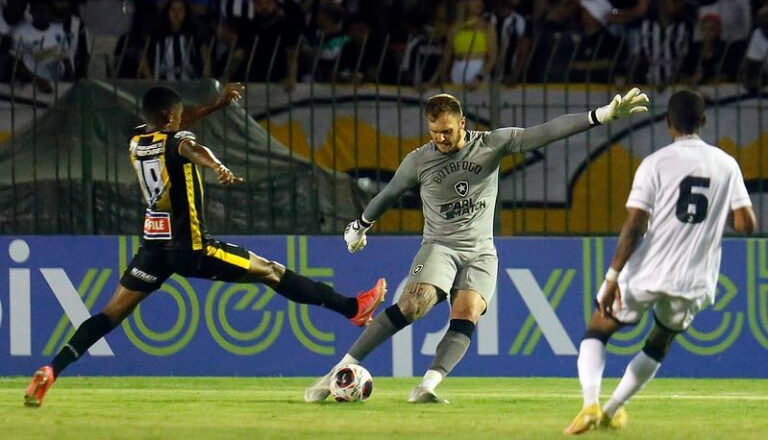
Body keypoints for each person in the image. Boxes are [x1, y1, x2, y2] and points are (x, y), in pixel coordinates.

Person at [24, 84, 388, 408]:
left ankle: (51, 370)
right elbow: (192, 147)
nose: (184, 120)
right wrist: (218, 166)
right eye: (179, 116)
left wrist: (216, 105)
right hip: (193, 248)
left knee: (108, 315)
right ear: (170, 118)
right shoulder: (176, 142)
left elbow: (182, 126)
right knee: (272, 271)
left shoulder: (138, 140)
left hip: (153, 249)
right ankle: (352, 307)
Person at [305, 88, 650, 404]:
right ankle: (335, 372)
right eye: (434, 131)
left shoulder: (491, 144)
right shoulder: (419, 161)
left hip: (481, 250)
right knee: (413, 305)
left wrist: (599, 116)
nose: (441, 138)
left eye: (448, 131)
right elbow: (389, 193)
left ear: (463, 123)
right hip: (440, 245)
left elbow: (543, 132)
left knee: (467, 311)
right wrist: (360, 225)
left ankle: (427, 386)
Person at [563, 89, 756, 434]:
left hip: (648, 272)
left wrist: (611, 278)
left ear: (668, 124)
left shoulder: (655, 163)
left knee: (598, 328)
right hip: (694, 280)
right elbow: (746, 225)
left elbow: (635, 225)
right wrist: (718, 206)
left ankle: (590, 403)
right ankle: (611, 410)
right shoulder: (727, 164)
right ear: (703, 121)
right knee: (660, 339)